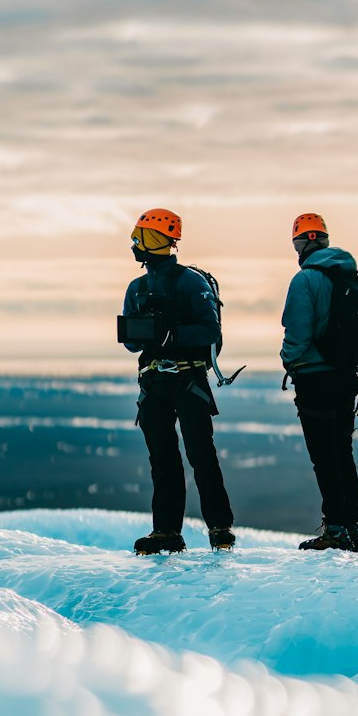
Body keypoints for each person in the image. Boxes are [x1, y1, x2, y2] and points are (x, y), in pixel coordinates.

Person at [120, 208, 235, 554]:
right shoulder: (138, 287)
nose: (135, 244)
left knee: (199, 454)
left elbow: (210, 330)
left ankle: (219, 528)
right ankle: (167, 531)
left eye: (140, 237)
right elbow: (130, 340)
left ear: (155, 240)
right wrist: (151, 334)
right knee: (165, 458)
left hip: (186, 379)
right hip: (157, 381)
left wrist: (170, 333)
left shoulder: (190, 282)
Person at [281, 212, 358, 552]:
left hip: (314, 377)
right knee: (343, 451)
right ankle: (349, 526)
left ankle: (336, 529)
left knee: (323, 456)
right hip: (346, 377)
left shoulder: (305, 280)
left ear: (301, 243)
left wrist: (290, 360)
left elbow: (296, 332)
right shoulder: (349, 276)